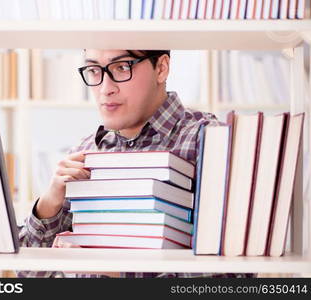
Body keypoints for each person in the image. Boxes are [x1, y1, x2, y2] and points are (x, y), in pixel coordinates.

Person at [18, 49, 253, 278]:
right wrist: (49, 203)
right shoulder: (85, 151)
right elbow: (29, 274)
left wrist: (120, 272)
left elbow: (233, 275)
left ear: (161, 68)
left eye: (122, 67)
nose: (105, 88)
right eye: (93, 70)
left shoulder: (210, 141)